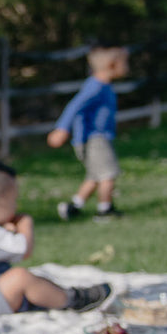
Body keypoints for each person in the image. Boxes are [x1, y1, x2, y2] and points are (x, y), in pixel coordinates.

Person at [0, 158, 112, 319]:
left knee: (32, 280)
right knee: (20, 277)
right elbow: (23, 250)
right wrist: (25, 223)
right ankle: (74, 300)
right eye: (13, 201)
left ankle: (56, 296)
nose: (16, 207)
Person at [47, 44, 130, 221]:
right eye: (125, 63)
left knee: (94, 176)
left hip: (96, 138)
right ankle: (105, 210)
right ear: (112, 65)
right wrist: (62, 128)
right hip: (94, 138)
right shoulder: (96, 86)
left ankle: (74, 207)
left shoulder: (101, 85)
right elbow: (74, 106)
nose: (127, 67)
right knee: (108, 173)